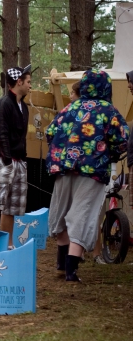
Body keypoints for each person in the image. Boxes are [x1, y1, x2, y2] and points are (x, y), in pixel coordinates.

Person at [47, 69, 128, 282]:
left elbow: (50, 132)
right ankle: (71, 270)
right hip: (93, 169)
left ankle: (60, 263)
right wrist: (111, 153)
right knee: (82, 214)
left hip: (63, 167)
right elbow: (123, 137)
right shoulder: (107, 110)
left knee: (61, 213)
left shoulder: (69, 107)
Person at [0, 66, 31, 242]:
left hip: (19, 160)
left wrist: (22, 159)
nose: (30, 86)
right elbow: (0, 133)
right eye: (28, 82)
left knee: (12, 207)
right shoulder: (3, 103)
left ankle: (7, 244)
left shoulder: (24, 107)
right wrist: (7, 159)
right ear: (19, 82)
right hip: (3, 159)